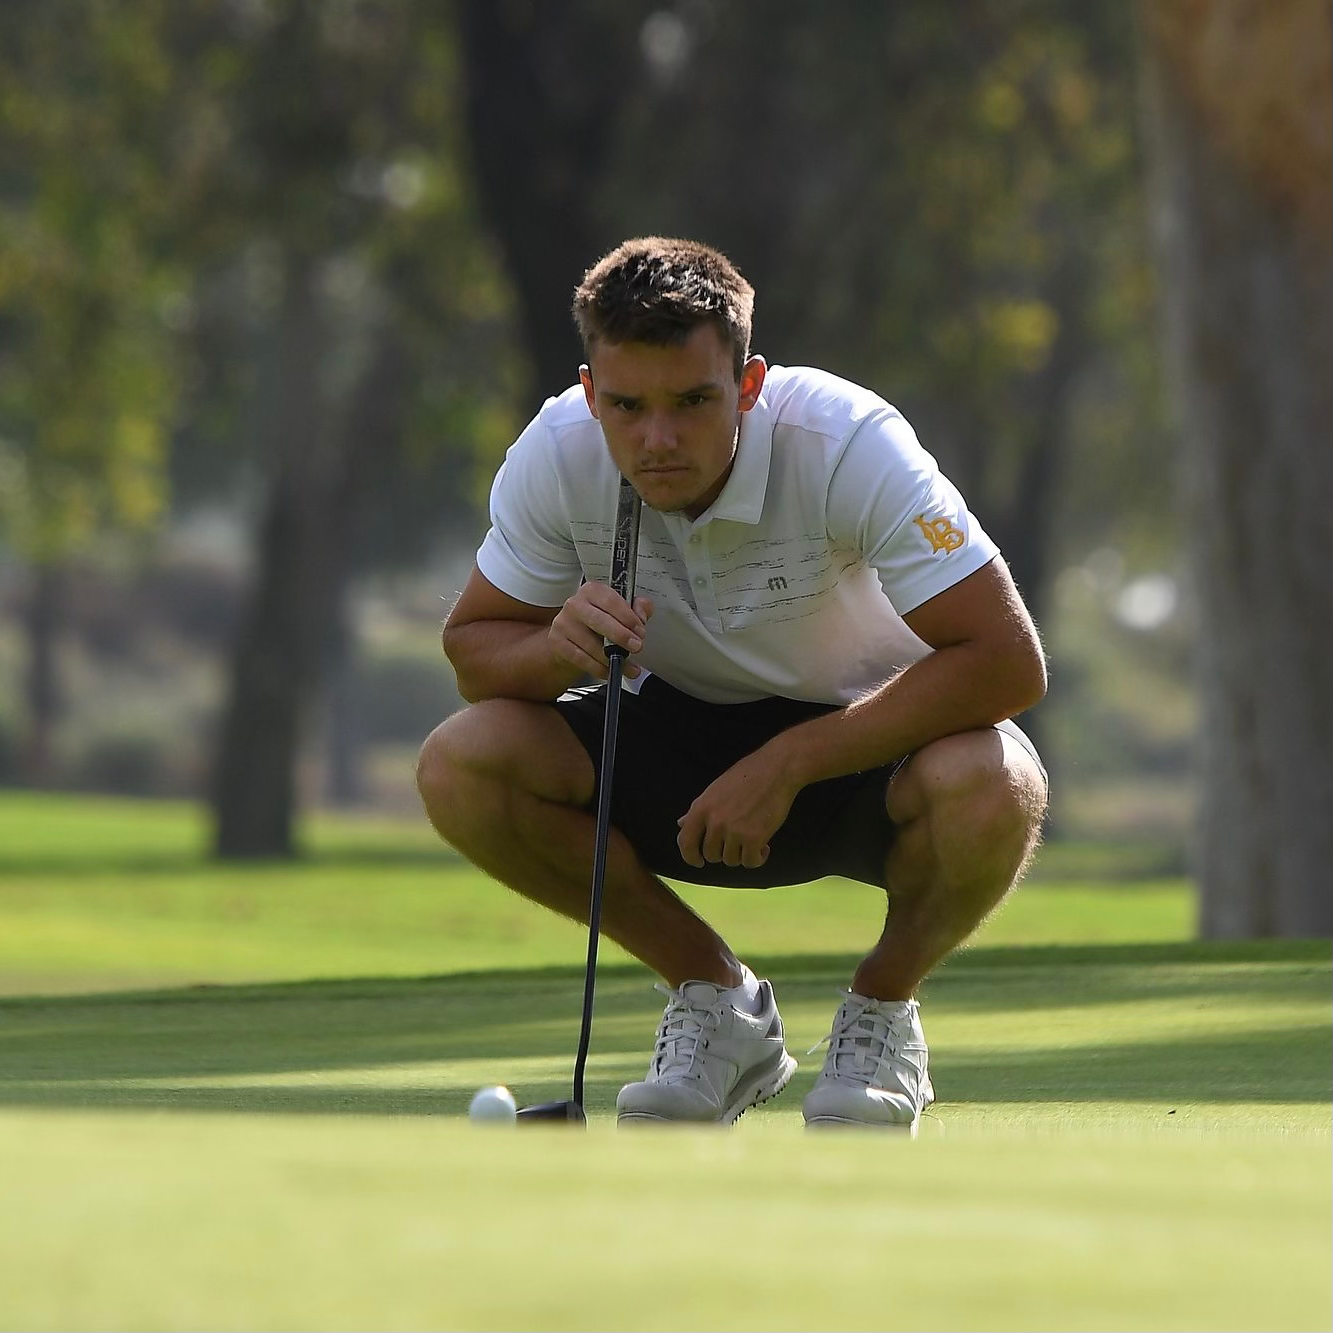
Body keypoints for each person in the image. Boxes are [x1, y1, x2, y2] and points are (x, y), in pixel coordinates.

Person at [416, 236, 1048, 1131]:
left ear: (747, 385)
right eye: (626, 406)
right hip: (670, 741)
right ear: (591, 394)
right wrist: (553, 650)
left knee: (995, 781)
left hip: (869, 739)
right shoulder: (556, 451)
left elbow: (1006, 660)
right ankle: (718, 1002)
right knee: (460, 762)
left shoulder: (845, 439)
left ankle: (881, 1010)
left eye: (692, 401)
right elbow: (473, 649)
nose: (657, 438)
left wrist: (789, 762)